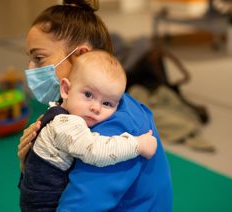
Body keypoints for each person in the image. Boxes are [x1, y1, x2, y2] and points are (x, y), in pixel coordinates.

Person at [18, 0, 173, 211]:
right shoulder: (79, 111)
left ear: (81, 55)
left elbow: (80, 206)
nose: (30, 69)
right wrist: (38, 163)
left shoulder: (114, 131)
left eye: (39, 58)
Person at [20, 50, 158, 211]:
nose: (95, 107)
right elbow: (95, 151)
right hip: (44, 206)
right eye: (88, 94)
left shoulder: (58, 111)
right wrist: (137, 144)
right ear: (65, 89)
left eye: (107, 103)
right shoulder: (66, 123)